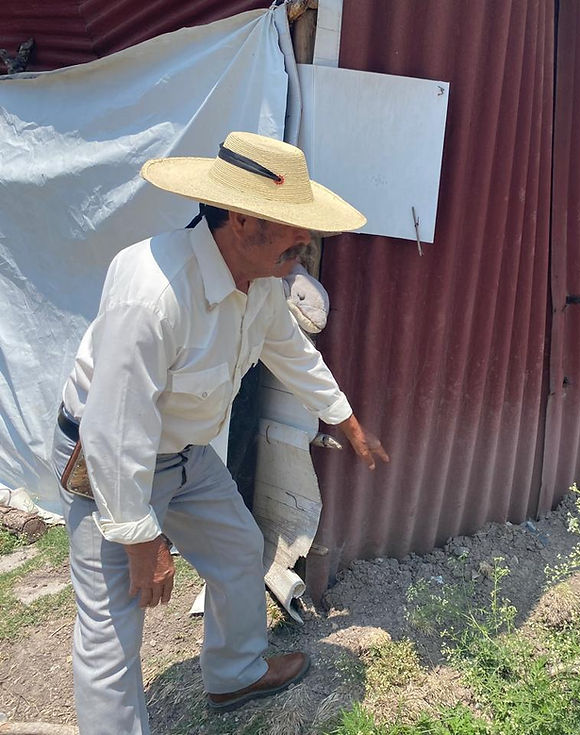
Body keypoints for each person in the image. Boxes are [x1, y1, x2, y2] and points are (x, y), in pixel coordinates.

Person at [49, 131, 389, 734]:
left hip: (186, 454)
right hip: (108, 460)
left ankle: (235, 674)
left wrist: (346, 418)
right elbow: (116, 427)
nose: (303, 248)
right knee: (114, 623)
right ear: (241, 218)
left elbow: (291, 353)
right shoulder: (154, 292)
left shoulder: (262, 282)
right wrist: (140, 537)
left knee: (238, 550)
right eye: (292, 232)